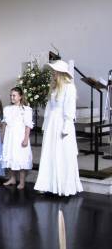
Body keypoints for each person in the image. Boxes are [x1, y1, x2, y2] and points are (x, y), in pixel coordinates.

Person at [34, 60, 83, 196]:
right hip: (52, 123)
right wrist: (45, 123)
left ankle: (63, 186)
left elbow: (69, 108)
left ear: (61, 73)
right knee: (49, 152)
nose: (53, 73)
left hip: (62, 123)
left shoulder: (69, 87)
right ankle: (47, 184)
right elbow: (49, 107)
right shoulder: (54, 87)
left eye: (55, 71)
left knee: (62, 153)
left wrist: (67, 125)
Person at [1, 87, 33, 189]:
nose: (12, 97)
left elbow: (28, 125)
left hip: (19, 136)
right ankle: (12, 178)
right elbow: (5, 124)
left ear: (20, 97)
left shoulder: (26, 109)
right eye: (11, 95)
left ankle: (22, 181)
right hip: (10, 136)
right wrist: (2, 136)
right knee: (11, 156)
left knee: (21, 157)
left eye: (14, 95)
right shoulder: (7, 109)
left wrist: (26, 139)